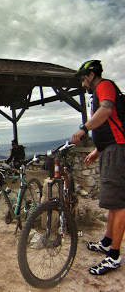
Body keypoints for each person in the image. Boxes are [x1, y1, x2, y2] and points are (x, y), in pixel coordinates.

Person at [71, 59, 125, 276]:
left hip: (118, 150)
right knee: (113, 202)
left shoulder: (104, 86)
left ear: (91, 74)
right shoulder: (99, 91)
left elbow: (106, 112)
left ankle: (113, 256)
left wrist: (83, 128)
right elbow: (108, 126)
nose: (82, 82)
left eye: (83, 78)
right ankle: (107, 241)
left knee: (119, 204)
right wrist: (97, 150)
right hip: (110, 149)